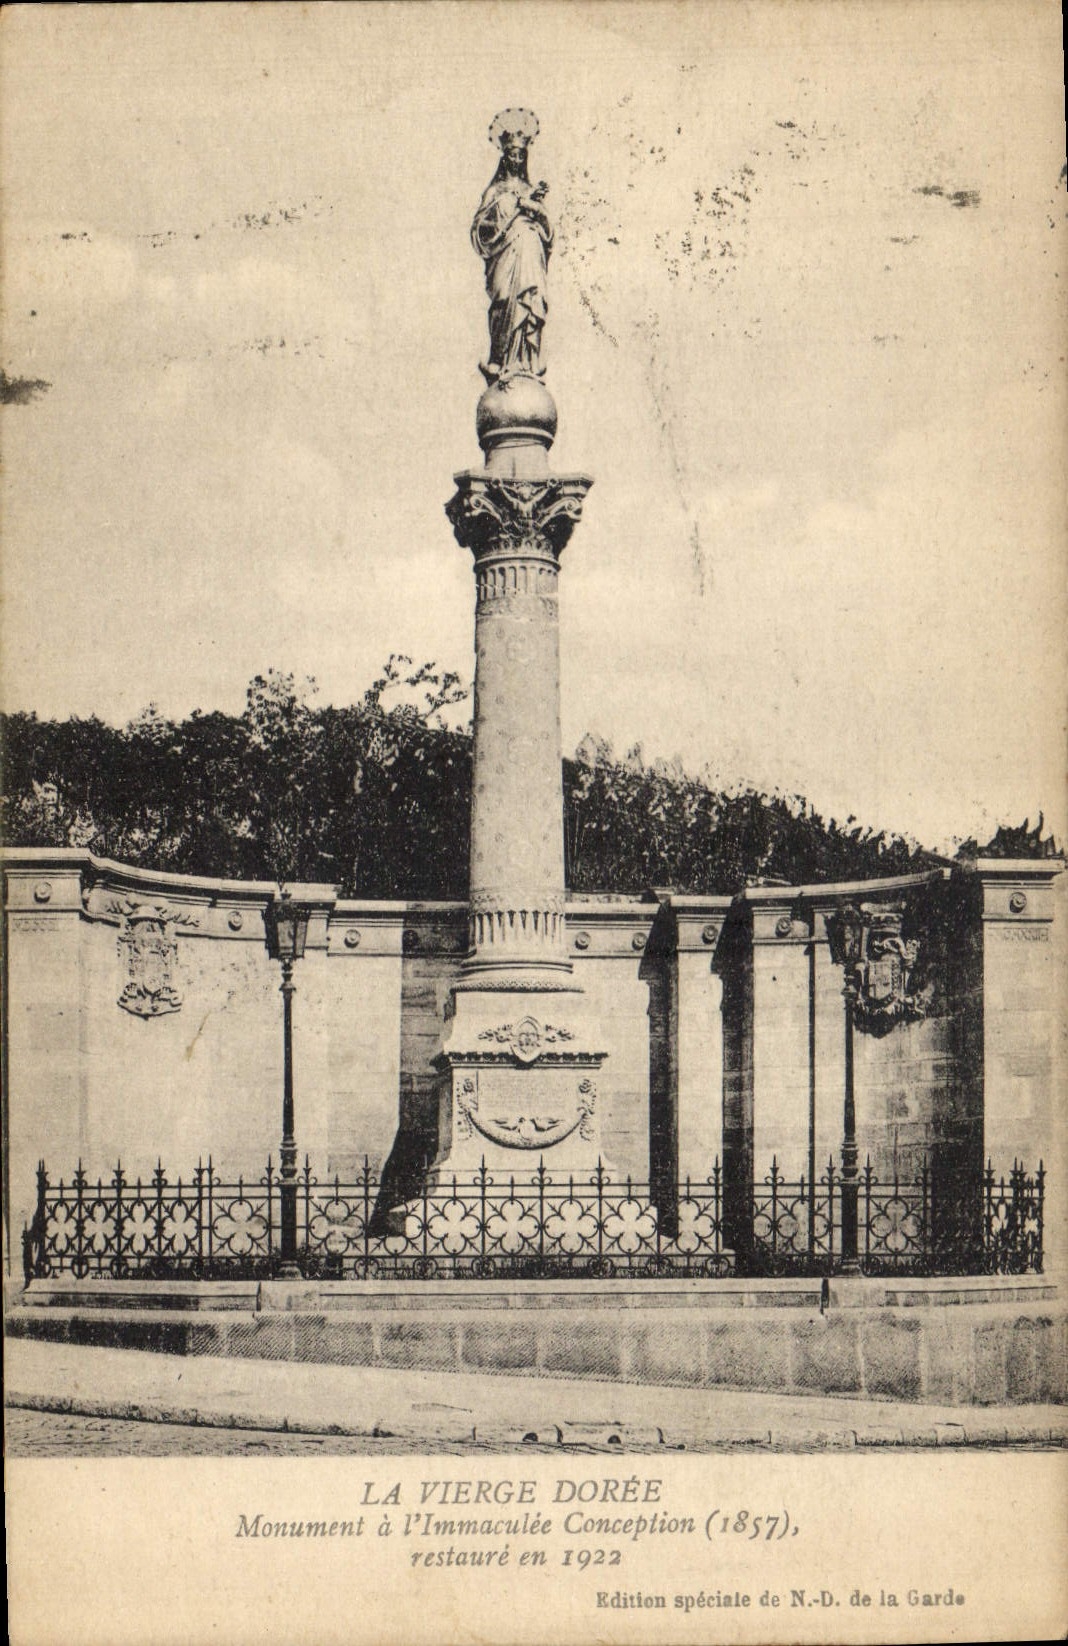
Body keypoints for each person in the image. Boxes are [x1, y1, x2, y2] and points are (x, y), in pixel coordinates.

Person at [471, 110, 552, 380]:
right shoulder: (494, 192)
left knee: (532, 300)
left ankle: (528, 362)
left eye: (521, 154)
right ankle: (499, 359)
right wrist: (515, 210)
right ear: (504, 157)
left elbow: (548, 235)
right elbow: (480, 232)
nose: (517, 159)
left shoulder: (532, 191)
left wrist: (536, 210)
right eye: (512, 154)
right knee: (505, 298)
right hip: (504, 258)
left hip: (530, 255)